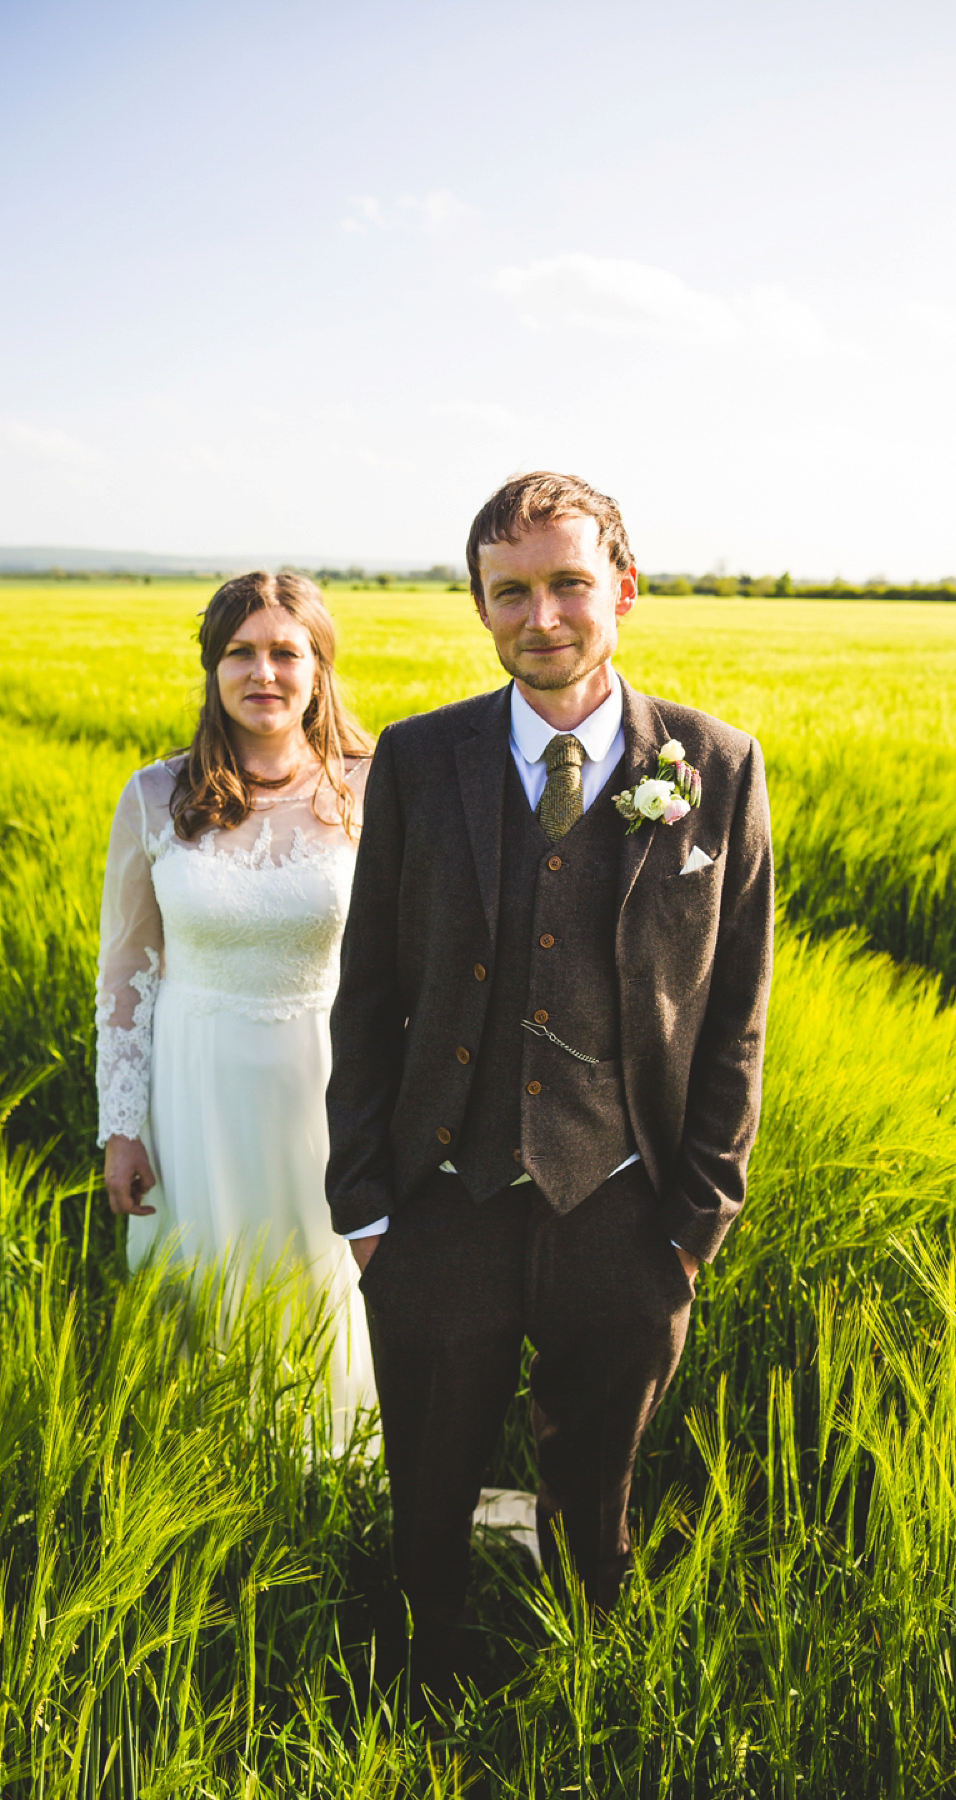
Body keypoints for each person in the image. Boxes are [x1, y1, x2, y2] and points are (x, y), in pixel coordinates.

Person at [326, 472, 773, 1692]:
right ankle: (425, 1677)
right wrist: (366, 1209)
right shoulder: (419, 761)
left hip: (628, 1206)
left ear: (622, 589)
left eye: (569, 583)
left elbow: (736, 1014)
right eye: (510, 591)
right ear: (480, 608)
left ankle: (587, 1688)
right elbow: (367, 993)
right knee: (430, 1476)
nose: (544, 616)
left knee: (596, 1487)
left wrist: (693, 1226)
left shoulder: (717, 768)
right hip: (439, 1202)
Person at [97, 569, 376, 1430]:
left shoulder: (372, 788)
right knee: (204, 1277)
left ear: (320, 667)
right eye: (240, 653)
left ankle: (333, 1466)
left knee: (322, 1271)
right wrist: (121, 1125)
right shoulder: (154, 794)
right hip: (196, 1082)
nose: (265, 673)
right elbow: (127, 971)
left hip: (330, 1085)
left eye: (286, 652)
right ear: (213, 670)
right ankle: (207, 1462)